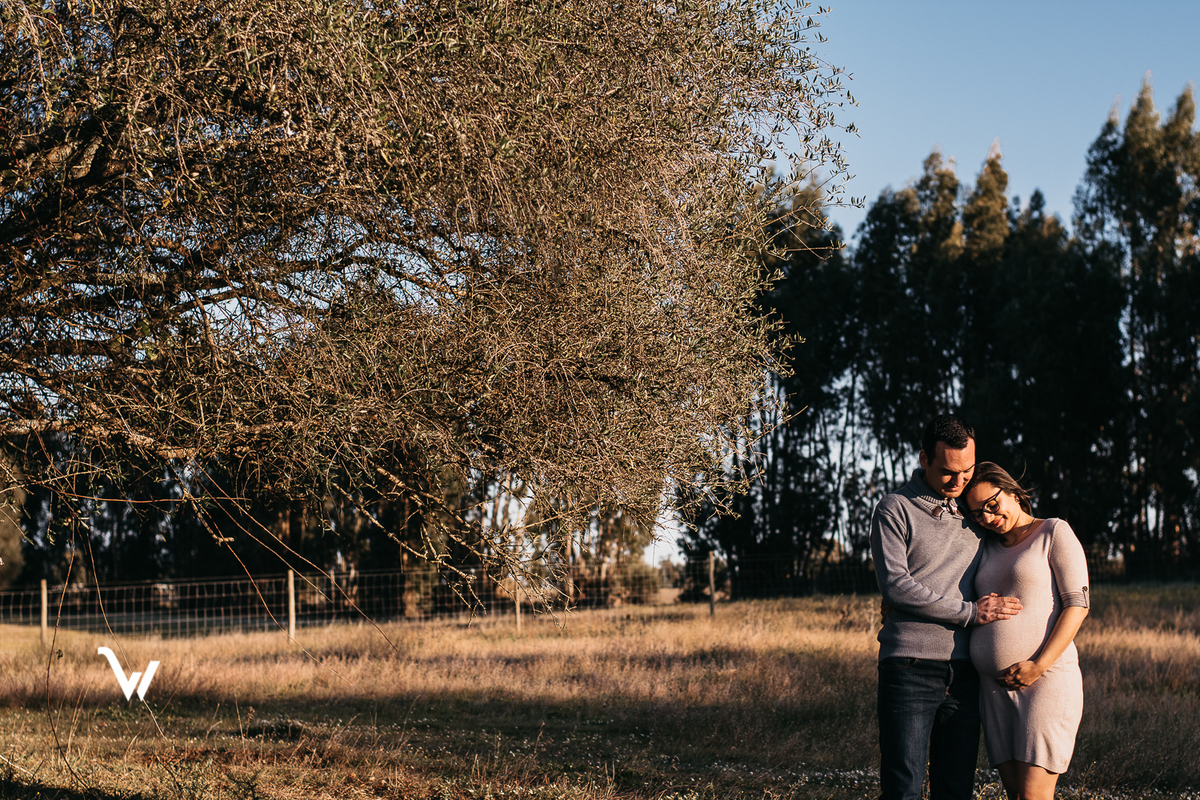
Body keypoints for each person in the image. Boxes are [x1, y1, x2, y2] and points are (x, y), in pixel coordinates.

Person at [871, 414, 1022, 800]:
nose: (958, 483)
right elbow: (897, 586)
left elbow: (1016, 555)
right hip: (908, 667)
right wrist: (970, 612)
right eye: (948, 473)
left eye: (967, 471)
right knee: (902, 787)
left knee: (955, 789)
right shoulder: (894, 509)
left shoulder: (977, 515)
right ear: (924, 459)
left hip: (965, 672)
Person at [963, 462, 1089, 800]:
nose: (987, 518)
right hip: (994, 690)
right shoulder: (985, 547)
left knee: (1034, 796)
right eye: (977, 514)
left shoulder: (1053, 532)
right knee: (1017, 796)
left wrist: (1038, 666)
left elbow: (1078, 604)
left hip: (1044, 680)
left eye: (992, 505)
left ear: (1013, 492)